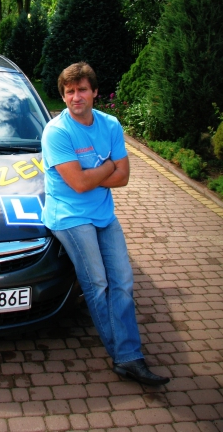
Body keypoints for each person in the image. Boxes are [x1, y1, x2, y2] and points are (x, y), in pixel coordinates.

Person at [41, 62, 170, 386]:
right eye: (69, 91)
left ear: (95, 92)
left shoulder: (110, 125)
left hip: (103, 214)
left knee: (123, 281)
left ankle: (127, 354)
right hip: (69, 216)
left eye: (82, 90)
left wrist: (94, 175)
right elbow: (79, 184)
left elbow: (123, 178)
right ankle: (127, 357)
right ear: (63, 96)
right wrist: (108, 166)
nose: (76, 97)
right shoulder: (57, 132)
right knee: (97, 283)